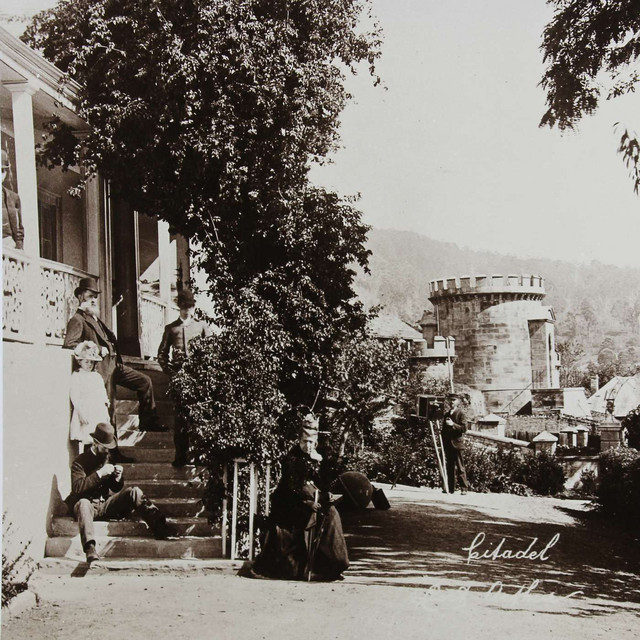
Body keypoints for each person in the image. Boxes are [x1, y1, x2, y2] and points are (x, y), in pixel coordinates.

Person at [63, 277, 166, 446]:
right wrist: (95, 348)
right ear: (81, 297)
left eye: (96, 296)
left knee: (144, 381)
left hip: (116, 366)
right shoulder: (78, 320)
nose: (94, 299)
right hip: (102, 370)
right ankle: (113, 451)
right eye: (90, 296)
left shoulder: (95, 318)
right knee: (109, 410)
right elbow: (69, 345)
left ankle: (148, 421)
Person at [252, 412, 349, 581]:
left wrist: (322, 465)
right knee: (313, 518)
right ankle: (305, 567)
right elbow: (291, 488)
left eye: (311, 442)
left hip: (314, 502)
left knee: (332, 514)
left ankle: (334, 564)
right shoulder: (292, 457)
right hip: (291, 506)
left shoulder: (319, 456)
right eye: (305, 441)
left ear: (316, 442)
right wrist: (307, 503)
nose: (308, 445)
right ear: (299, 440)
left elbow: (326, 484)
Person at [65, 422, 177, 564]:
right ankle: (90, 548)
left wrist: (118, 478)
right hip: (86, 507)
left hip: (104, 504)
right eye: (105, 447)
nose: (108, 451)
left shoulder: (106, 457)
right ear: (95, 443)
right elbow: (77, 488)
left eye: (109, 448)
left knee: (134, 492)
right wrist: (99, 474)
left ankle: (160, 527)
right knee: (83, 503)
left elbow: (115, 487)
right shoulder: (79, 462)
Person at [157, 289, 211, 466]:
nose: (186, 310)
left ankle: (199, 456)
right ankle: (180, 456)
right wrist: (172, 374)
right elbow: (162, 355)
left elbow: (212, 352)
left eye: (189, 307)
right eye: (183, 307)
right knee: (180, 418)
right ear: (178, 307)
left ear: (194, 307)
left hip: (198, 379)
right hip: (180, 379)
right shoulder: (171, 328)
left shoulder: (202, 326)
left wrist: (205, 372)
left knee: (198, 417)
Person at [69, 341, 112, 455]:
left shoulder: (96, 376)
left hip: (97, 410)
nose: (89, 364)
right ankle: (87, 461)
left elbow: (102, 395)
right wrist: (80, 412)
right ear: (80, 361)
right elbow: (75, 395)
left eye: (91, 362)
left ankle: (98, 463)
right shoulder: (78, 375)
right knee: (87, 436)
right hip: (85, 410)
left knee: (99, 438)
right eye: (86, 361)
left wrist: (106, 412)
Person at [441, 393, 470, 494]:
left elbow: (464, 428)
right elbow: (443, 430)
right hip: (448, 444)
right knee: (449, 467)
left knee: (460, 467)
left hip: (457, 444)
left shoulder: (461, 413)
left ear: (458, 402)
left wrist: (453, 424)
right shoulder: (447, 414)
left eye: (453, 400)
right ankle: (450, 488)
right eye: (450, 400)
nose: (451, 402)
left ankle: (464, 488)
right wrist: (443, 442)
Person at [2, 149, 24, 250]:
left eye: (2, 171)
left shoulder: (13, 197)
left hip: (9, 248)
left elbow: (19, 230)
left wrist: (20, 250)